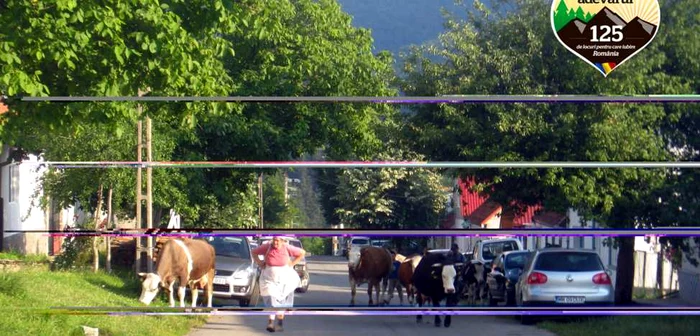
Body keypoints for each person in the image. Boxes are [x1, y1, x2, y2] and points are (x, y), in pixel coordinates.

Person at [251, 236, 306, 333]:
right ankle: (270, 323)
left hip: (284, 279)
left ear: (282, 241)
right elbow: (254, 252)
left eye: (277, 241)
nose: (275, 243)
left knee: (282, 302)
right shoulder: (267, 246)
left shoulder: (287, 247)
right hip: (269, 278)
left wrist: (292, 263)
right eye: (274, 240)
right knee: (271, 299)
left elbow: (302, 253)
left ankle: (279, 323)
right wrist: (260, 263)